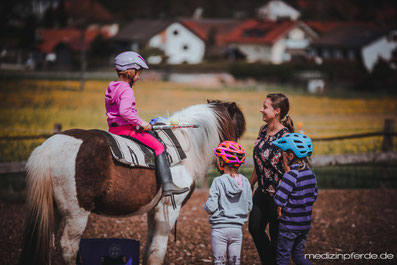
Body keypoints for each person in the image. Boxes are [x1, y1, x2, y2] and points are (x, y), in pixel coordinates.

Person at [105, 51, 189, 196]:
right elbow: (125, 112)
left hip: (114, 130)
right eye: (138, 73)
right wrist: (141, 123)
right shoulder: (127, 90)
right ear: (130, 71)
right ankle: (167, 184)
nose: (139, 77)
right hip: (126, 130)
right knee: (159, 147)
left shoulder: (112, 87)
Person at [249, 93, 294, 265]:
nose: (261, 109)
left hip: (278, 195)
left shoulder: (286, 136)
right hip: (261, 192)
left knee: (276, 240)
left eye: (265, 107)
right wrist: (249, 184)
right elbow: (258, 162)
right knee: (254, 228)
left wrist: (283, 200)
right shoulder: (262, 130)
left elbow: (288, 170)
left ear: (277, 111)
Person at [204, 141, 253, 265]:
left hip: (219, 230)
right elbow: (249, 206)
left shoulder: (218, 181)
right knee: (234, 262)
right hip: (237, 230)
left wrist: (206, 206)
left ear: (222, 162)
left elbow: (211, 207)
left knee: (219, 262)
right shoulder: (246, 182)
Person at [273, 133, 318, 265]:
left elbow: (279, 200)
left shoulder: (291, 175)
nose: (284, 158)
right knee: (298, 255)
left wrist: (280, 186)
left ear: (291, 156)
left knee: (283, 257)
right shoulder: (311, 174)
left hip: (289, 225)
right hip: (305, 224)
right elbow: (314, 195)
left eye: (286, 155)